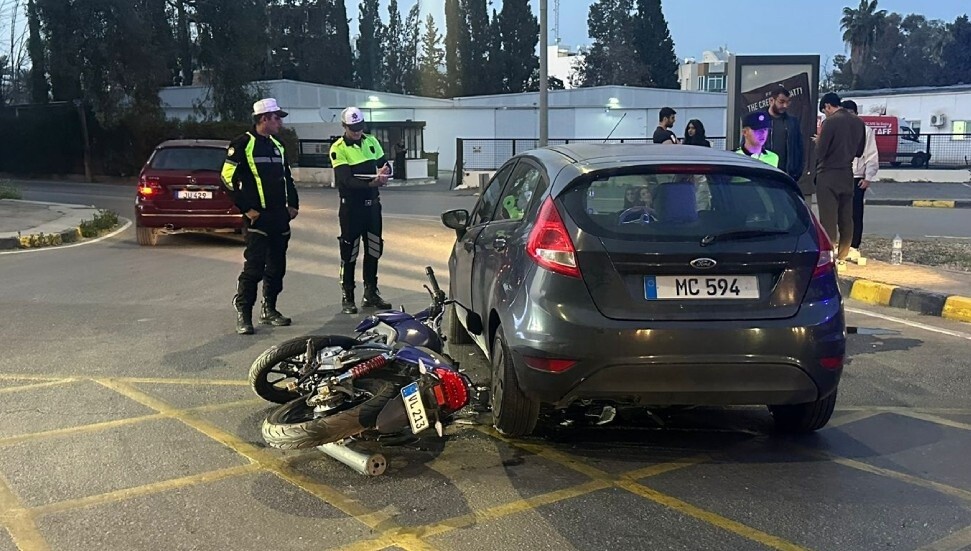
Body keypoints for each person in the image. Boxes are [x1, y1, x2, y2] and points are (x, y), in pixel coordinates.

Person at [222, 98, 299, 335]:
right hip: (258, 218)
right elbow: (226, 178)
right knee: (254, 268)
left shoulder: (278, 145)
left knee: (277, 268)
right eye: (277, 118)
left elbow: (287, 178)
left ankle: (270, 309)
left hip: (279, 217)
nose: (280, 122)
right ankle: (244, 312)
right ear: (263, 118)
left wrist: (293, 204)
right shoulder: (242, 143)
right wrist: (246, 208)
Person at [330, 106, 393, 314]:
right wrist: (371, 184)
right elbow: (345, 180)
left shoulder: (371, 141)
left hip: (372, 207)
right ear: (344, 126)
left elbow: (385, 164)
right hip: (352, 208)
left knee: (374, 249)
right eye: (352, 128)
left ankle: (370, 292)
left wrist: (385, 171)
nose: (356, 132)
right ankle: (348, 295)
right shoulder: (338, 148)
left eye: (359, 127)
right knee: (349, 251)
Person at [814, 92, 866, 262]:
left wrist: (818, 140)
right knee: (846, 217)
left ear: (828, 106)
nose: (825, 114)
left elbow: (821, 152)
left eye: (824, 110)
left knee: (828, 218)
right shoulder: (859, 122)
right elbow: (859, 151)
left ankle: (829, 256)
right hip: (847, 173)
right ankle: (843, 253)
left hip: (828, 174)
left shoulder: (830, 122)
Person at [841, 100, 879, 261]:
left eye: (851, 114)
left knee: (856, 212)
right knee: (841, 212)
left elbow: (872, 155)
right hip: (841, 174)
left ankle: (854, 245)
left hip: (857, 176)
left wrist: (868, 177)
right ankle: (843, 244)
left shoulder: (866, 131)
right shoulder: (839, 129)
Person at [766, 85, 805, 182]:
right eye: (781, 102)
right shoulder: (758, 121)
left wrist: (796, 173)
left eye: (788, 102)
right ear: (771, 100)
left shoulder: (792, 122)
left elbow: (799, 149)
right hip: (764, 175)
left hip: (787, 176)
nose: (785, 106)